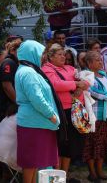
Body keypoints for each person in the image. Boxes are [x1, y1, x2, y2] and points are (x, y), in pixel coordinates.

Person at [15, 40, 62, 183]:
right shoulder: (28, 72)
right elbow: (37, 98)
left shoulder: (29, 70)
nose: (43, 57)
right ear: (32, 53)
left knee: (36, 162)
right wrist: (51, 115)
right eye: (41, 53)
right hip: (34, 123)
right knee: (31, 162)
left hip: (38, 123)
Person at [42, 43, 89, 180]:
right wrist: (76, 84)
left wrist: (79, 87)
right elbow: (56, 85)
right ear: (51, 56)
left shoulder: (70, 68)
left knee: (70, 145)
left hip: (74, 110)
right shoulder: (46, 69)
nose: (63, 57)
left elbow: (87, 82)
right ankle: (57, 177)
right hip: (60, 111)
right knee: (60, 144)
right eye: (60, 55)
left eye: (64, 55)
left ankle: (65, 176)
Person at [83, 51, 107, 182]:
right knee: (93, 144)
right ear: (89, 63)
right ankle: (92, 173)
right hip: (94, 116)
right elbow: (92, 92)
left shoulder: (105, 75)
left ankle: (100, 172)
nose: (100, 62)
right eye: (97, 60)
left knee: (104, 144)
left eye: (101, 60)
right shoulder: (87, 76)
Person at [0, 43, 19, 131]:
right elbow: (7, 85)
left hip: (8, 108)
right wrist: (18, 102)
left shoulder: (15, 63)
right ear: (13, 51)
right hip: (3, 109)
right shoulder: (9, 62)